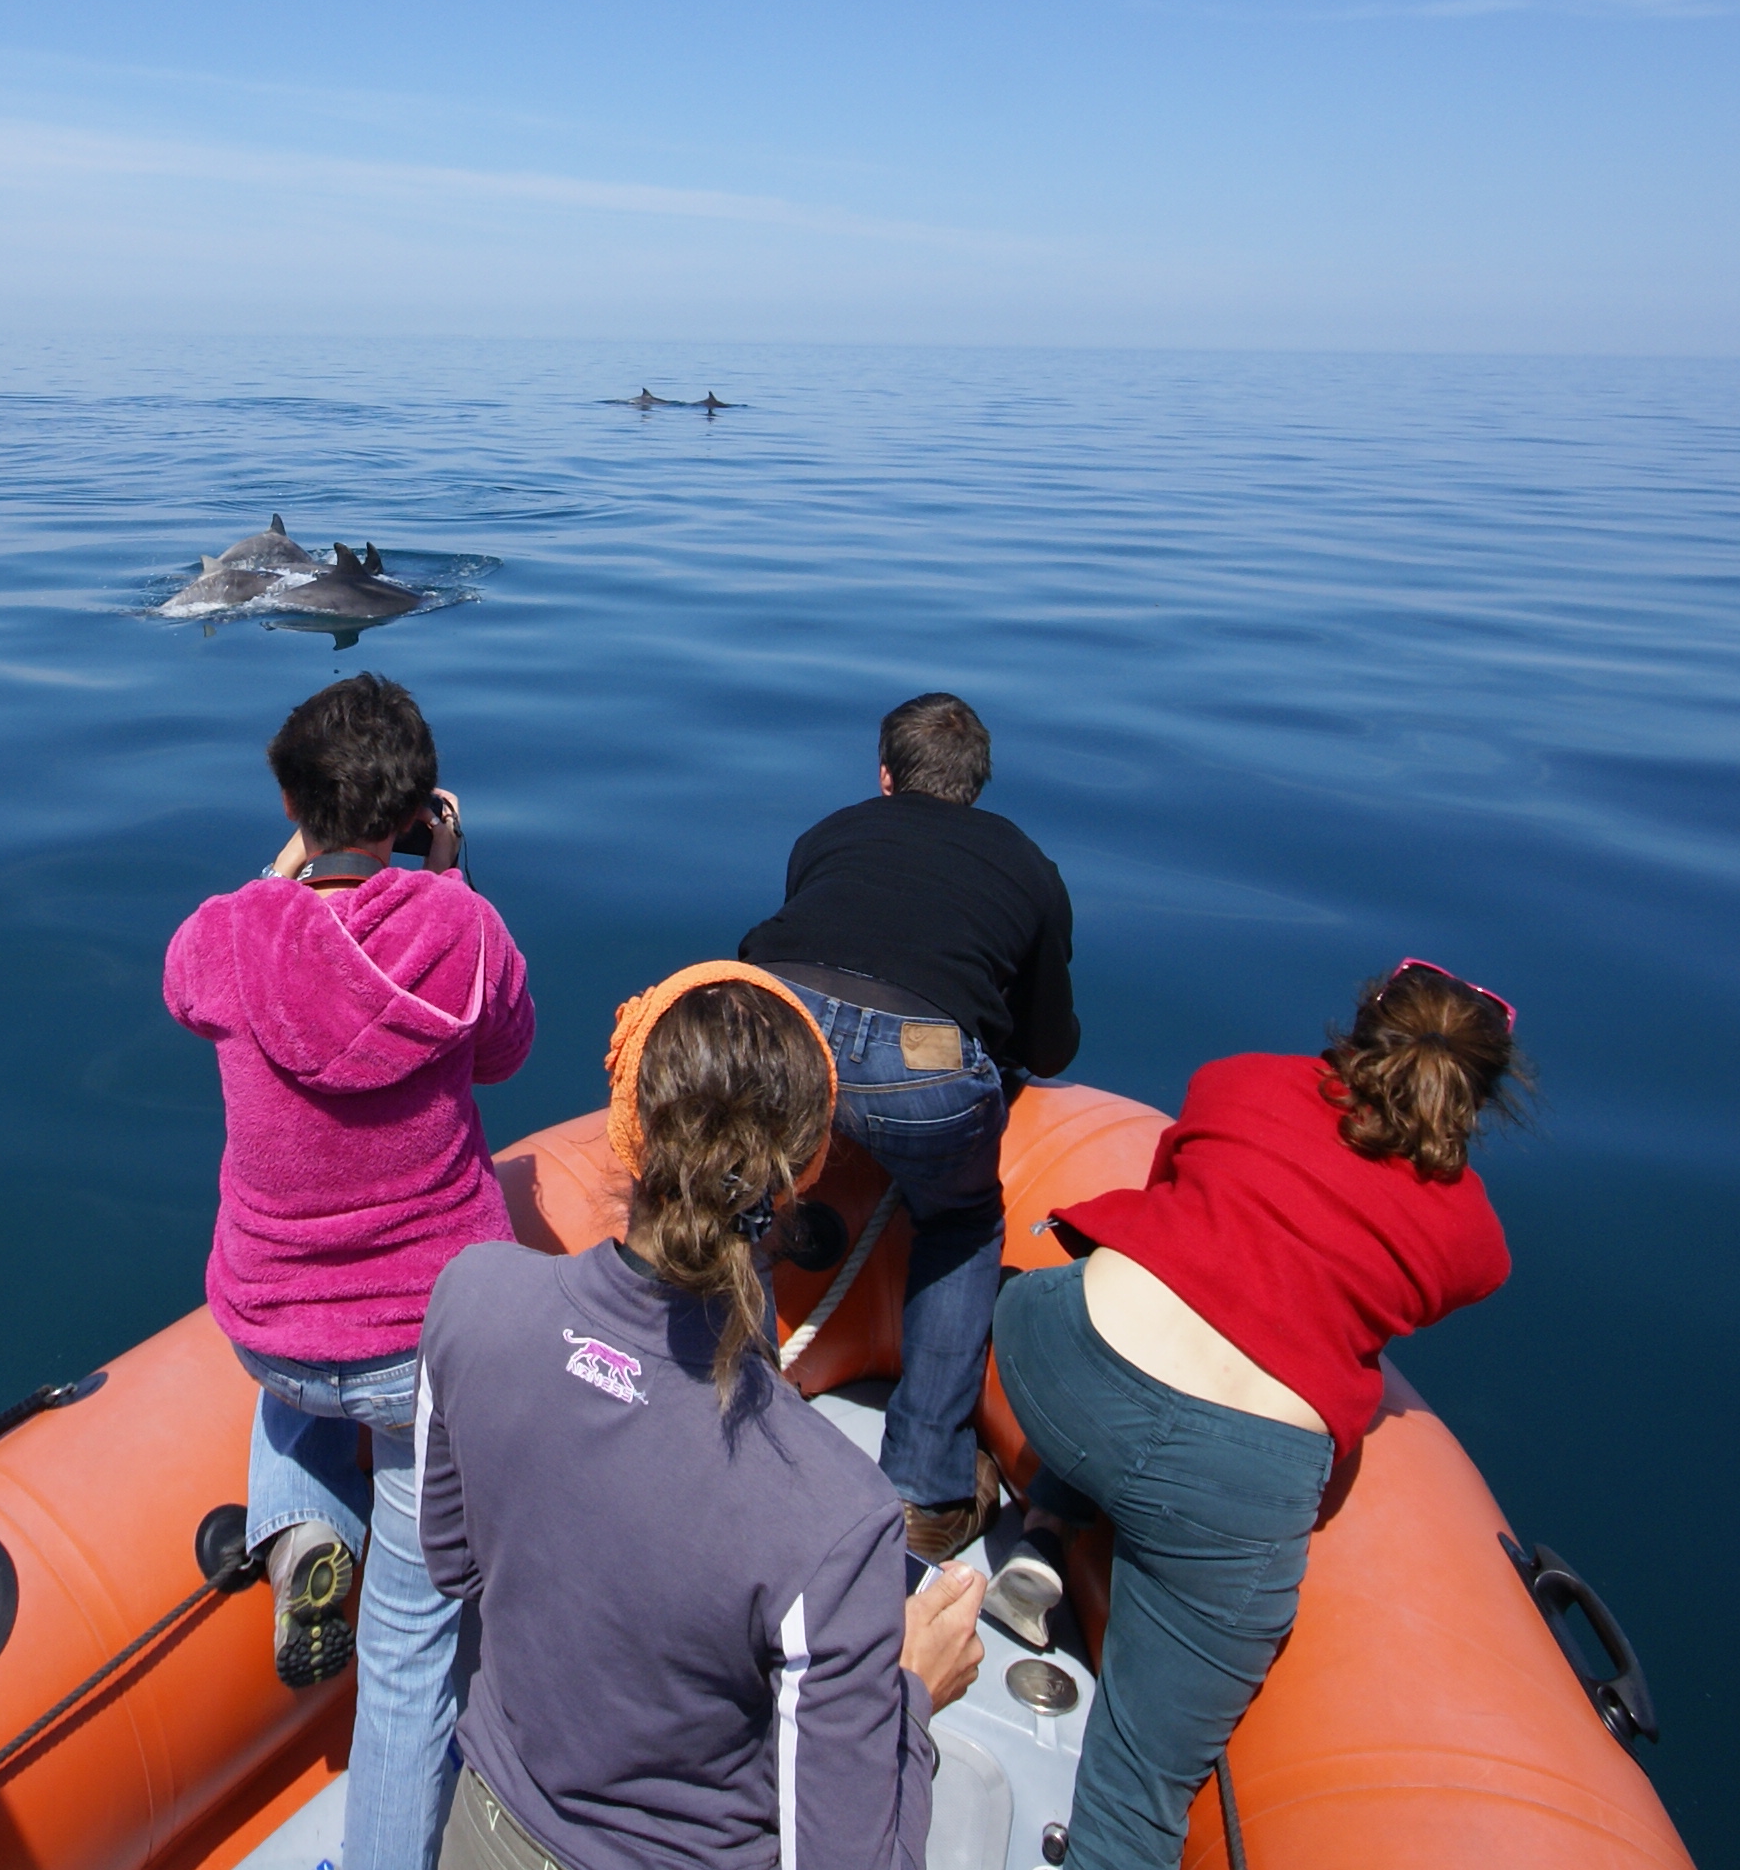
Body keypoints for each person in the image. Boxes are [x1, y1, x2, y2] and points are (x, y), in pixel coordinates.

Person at [415, 965, 989, 1870]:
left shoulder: (468, 1299)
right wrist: (909, 1698)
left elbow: (452, 1561)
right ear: (801, 1175)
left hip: (482, 1834)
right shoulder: (838, 1516)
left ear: (625, 1128)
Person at [992, 962, 1523, 1870]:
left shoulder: (1241, 1080)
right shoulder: (1473, 1238)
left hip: (1061, 1368)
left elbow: (1163, 1207)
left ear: (1361, 1027)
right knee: (1137, 1793)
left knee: (1116, 1363)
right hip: (1235, 1485)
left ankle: (1044, 1531)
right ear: (1477, 1098)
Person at [164, 671, 535, 1870]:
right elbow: (505, 1056)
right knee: (413, 1642)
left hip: (272, 1328)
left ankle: (295, 1531)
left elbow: (181, 987)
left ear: (287, 799)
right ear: (423, 807)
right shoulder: (462, 929)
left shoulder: (224, 936)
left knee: (294, 1382)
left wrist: (290, 859)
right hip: (422, 1352)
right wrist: (451, 874)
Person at [739, 691, 1075, 1557]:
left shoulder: (831, 832)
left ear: (885, 776)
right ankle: (926, 1489)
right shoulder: (1030, 869)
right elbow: (1049, 1042)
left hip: (781, 1023)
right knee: (961, 1223)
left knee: (742, 1194)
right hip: (923, 1066)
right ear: (978, 784)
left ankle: (733, 1436)